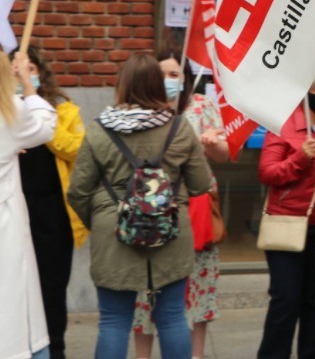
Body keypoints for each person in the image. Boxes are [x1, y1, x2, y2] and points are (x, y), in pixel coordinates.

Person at [68, 54, 211, 359]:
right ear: (158, 87)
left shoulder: (99, 130)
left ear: (122, 86)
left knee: (113, 321)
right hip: (171, 230)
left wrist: (106, 219)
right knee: (172, 317)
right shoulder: (179, 128)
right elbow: (201, 184)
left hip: (113, 235)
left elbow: (78, 192)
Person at [133, 52, 229, 359]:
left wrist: (213, 145)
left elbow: (225, 154)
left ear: (185, 78)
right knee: (146, 291)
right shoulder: (140, 110)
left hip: (197, 208)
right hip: (152, 210)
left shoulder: (202, 105)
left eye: (175, 75)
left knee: (198, 286)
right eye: (163, 74)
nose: (168, 81)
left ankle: (195, 355)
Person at [257, 63, 315, 359]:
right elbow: (267, 173)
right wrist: (298, 159)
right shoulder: (284, 128)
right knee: (285, 299)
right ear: (305, 95)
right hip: (287, 226)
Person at [11, 46, 86, 359]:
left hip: (54, 214)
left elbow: (76, 149)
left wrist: (42, 128)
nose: (21, 76)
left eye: (28, 70)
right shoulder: (6, 114)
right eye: (15, 70)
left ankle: (55, 347)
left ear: (39, 73)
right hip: (15, 211)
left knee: (52, 287)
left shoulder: (63, 110)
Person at [1, 51, 57, 359]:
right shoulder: (9, 113)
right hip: (5, 234)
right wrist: (26, 82)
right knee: (14, 319)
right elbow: (46, 123)